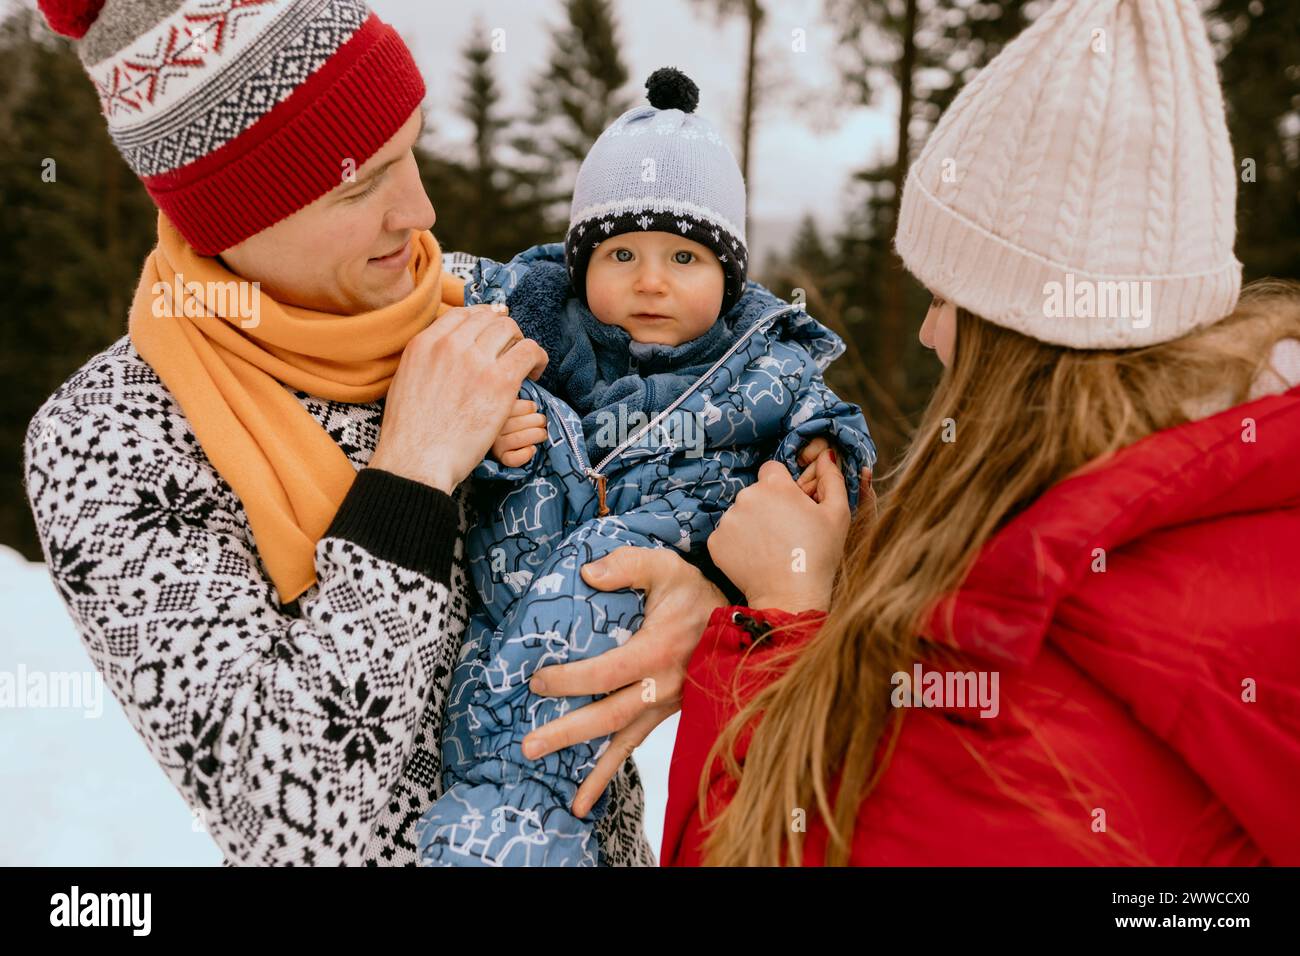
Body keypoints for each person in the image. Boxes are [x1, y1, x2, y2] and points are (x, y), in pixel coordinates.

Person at [521, 0, 1300, 865]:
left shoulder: (1025, 734)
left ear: (1023, 332)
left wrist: (783, 620)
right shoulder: (1245, 508)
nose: (928, 333)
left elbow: (778, 846)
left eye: (943, 300)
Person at [23, 0, 653, 865]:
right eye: (362, 185)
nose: (421, 211)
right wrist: (412, 477)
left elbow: (703, 439)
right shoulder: (109, 437)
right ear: (232, 218)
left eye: (413, 149)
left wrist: (706, 595)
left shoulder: (485, 301)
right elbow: (284, 816)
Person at [414, 68, 874, 866]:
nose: (650, 280)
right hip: (510, 597)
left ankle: (502, 837)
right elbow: (443, 364)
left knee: (538, 753)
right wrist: (495, 444)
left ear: (728, 276)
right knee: (511, 724)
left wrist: (828, 459)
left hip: (640, 588)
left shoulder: (763, 372)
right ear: (582, 262)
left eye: (684, 257)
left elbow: (828, 445)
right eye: (620, 251)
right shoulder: (527, 336)